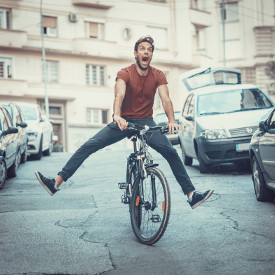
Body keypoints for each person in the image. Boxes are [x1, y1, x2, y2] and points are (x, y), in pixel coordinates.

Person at [35, 36, 213, 209]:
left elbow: (165, 99)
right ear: (135, 53)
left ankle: (191, 195)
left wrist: (172, 120)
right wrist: (117, 116)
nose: (146, 52)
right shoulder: (125, 73)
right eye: (142, 49)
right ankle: (56, 183)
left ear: (151, 55)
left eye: (149, 50)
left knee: (172, 153)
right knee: (89, 145)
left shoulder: (158, 75)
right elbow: (119, 95)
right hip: (124, 121)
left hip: (146, 123)